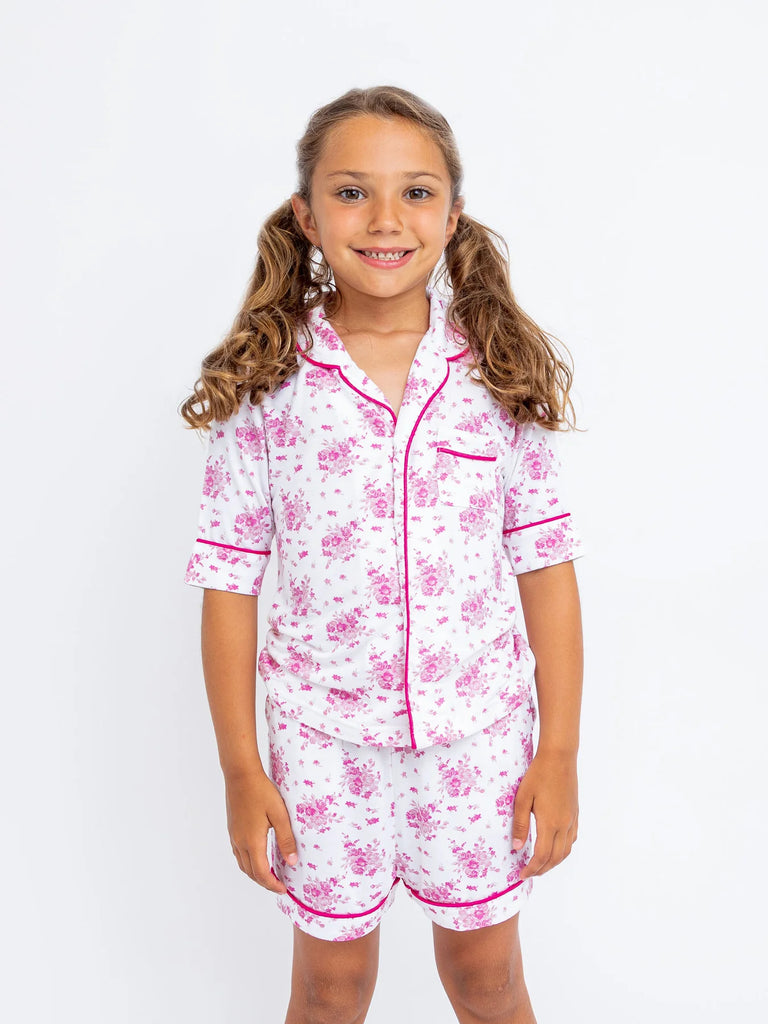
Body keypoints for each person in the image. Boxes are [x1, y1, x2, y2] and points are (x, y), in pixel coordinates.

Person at [181, 84, 585, 1024]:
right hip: (322, 746)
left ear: (453, 214)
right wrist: (242, 768)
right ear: (306, 215)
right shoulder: (266, 383)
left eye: (416, 192)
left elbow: (547, 567)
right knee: (329, 991)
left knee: (488, 982)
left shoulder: (498, 374)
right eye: (353, 191)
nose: (385, 219)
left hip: (478, 741)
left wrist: (559, 751)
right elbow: (228, 581)